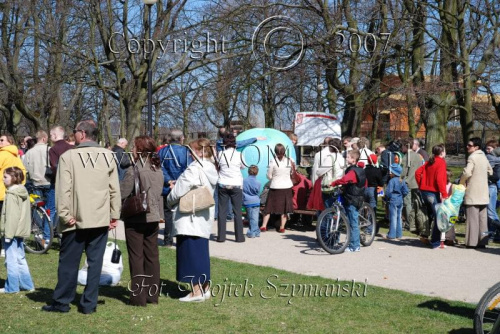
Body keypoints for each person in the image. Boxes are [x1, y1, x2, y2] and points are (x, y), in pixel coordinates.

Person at [42, 120, 121, 314]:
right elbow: (114, 190)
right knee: (95, 263)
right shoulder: (108, 156)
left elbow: (63, 189)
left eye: (75, 131)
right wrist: (113, 214)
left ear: (83, 134)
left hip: (75, 219)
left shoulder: (69, 157)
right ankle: (88, 304)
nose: (73, 134)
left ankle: (62, 302)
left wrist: (64, 214)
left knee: (69, 262)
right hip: (98, 218)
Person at [167, 138, 218, 302]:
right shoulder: (211, 168)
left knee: (190, 253)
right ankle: (205, 288)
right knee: (201, 253)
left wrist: (170, 196)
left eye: (192, 150)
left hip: (190, 216)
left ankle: (196, 292)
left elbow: (179, 190)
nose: (189, 153)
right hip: (203, 215)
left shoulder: (194, 168)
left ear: (200, 152)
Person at [120, 136, 163, 306]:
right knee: (152, 256)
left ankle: (138, 297)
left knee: (136, 257)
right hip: (153, 216)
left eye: (134, 147)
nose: (132, 150)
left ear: (140, 150)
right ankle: (152, 295)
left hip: (137, 216)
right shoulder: (157, 169)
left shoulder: (135, 169)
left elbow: (123, 192)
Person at [0, 167, 35, 293]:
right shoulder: (22, 191)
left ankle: (12, 287)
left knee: (11, 260)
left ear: (14, 178)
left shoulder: (11, 194)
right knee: (20, 258)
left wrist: (8, 234)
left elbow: (11, 216)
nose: (3, 179)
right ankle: (27, 285)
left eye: (5, 177)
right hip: (20, 231)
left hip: (12, 232)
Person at [158, 129, 192, 247]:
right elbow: (189, 169)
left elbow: (159, 168)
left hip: (168, 187)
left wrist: (169, 181)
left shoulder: (162, 152)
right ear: (181, 138)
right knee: (183, 213)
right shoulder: (186, 152)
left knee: (168, 215)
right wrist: (178, 182)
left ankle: (168, 240)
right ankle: (181, 240)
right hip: (182, 187)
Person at [330, 150, 366, 253]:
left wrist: (334, 183)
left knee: (353, 223)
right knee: (352, 221)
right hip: (356, 197)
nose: (346, 158)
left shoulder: (352, 172)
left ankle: (355, 246)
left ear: (354, 160)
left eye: (348, 157)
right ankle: (353, 243)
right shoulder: (359, 170)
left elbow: (344, 180)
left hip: (352, 199)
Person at [459, 137, 493, 249]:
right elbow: (490, 171)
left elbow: (467, 172)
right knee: (483, 220)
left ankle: (472, 242)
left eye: (470, 145)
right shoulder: (484, 157)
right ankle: (483, 242)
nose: (467, 147)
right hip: (483, 192)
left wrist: (462, 182)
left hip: (473, 191)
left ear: (476, 147)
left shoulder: (472, 158)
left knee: (472, 218)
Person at [415, 144, 448, 249]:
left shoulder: (430, 161)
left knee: (429, 214)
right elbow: (439, 179)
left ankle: (424, 235)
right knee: (439, 217)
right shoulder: (441, 162)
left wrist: (421, 184)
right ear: (442, 152)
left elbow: (417, 172)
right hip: (433, 192)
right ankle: (435, 242)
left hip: (424, 191)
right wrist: (444, 193)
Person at [23, 130, 52, 246]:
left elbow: (25, 169)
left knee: (36, 209)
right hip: (48, 182)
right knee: (50, 209)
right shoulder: (50, 150)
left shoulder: (30, 152)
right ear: (44, 138)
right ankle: (47, 233)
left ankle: (40, 229)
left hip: (35, 183)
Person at [216, 133, 246, 242]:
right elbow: (243, 166)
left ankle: (221, 237)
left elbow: (217, 166)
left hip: (223, 183)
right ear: (235, 143)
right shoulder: (240, 154)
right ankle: (239, 237)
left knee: (222, 211)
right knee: (237, 211)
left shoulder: (219, 154)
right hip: (236, 184)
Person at [260, 144, 295, 233]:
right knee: (284, 209)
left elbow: (269, 175)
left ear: (275, 152)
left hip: (275, 186)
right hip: (286, 187)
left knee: (268, 207)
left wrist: (273, 178)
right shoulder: (290, 161)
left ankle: (264, 226)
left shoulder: (273, 161)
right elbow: (292, 173)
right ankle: (282, 227)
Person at [48, 126, 74, 236]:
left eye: (51, 135)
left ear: (54, 135)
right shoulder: (72, 148)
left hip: (58, 182)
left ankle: (50, 234)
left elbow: (54, 167)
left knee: (54, 209)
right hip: (73, 182)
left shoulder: (54, 149)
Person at [400, 138, 427, 235]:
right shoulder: (419, 156)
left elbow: (403, 172)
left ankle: (409, 223)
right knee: (416, 204)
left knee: (407, 204)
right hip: (417, 183)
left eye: (402, 146)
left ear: (405, 146)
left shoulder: (406, 157)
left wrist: (400, 179)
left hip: (408, 183)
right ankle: (417, 222)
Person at [0, 134, 27, 213]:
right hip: (11, 192)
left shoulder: (2, 154)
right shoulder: (16, 156)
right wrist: (19, 185)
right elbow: (23, 171)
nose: (0, 142)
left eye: (2, 140)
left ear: (9, 142)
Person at [316, 138, 344, 208]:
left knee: (328, 210)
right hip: (339, 185)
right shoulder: (342, 157)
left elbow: (319, 172)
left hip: (330, 186)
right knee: (337, 208)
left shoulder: (330, 158)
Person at [383, 164, 409, 240]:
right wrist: (401, 196)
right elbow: (406, 191)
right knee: (399, 217)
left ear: (394, 172)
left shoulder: (392, 181)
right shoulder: (402, 180)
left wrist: (388, 198)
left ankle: (392, 234)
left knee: (393, 217)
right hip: (400, 199)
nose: (390, 173)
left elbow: (388, 192)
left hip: (393, 200)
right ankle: (399, 234)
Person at [485, 140, 500, 234]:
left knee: (490, 211)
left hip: (491, 186)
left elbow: (491, 173)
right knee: (490, 210)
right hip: (493, 186)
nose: (487, 150)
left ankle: (497, 229)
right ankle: (492, 231)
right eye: (486, 148)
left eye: (489, 148)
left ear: (495, 149)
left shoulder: (492, 159)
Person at [243, 165, 261, 238]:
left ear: (248, 171)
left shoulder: (244, 181)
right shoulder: (258, 182)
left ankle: (252, 232)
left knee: (251, 218)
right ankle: (256, 231)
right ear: (257, 173)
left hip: (248, 201)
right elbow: (257, 191)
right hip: (256, 201)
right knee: (255, 217)